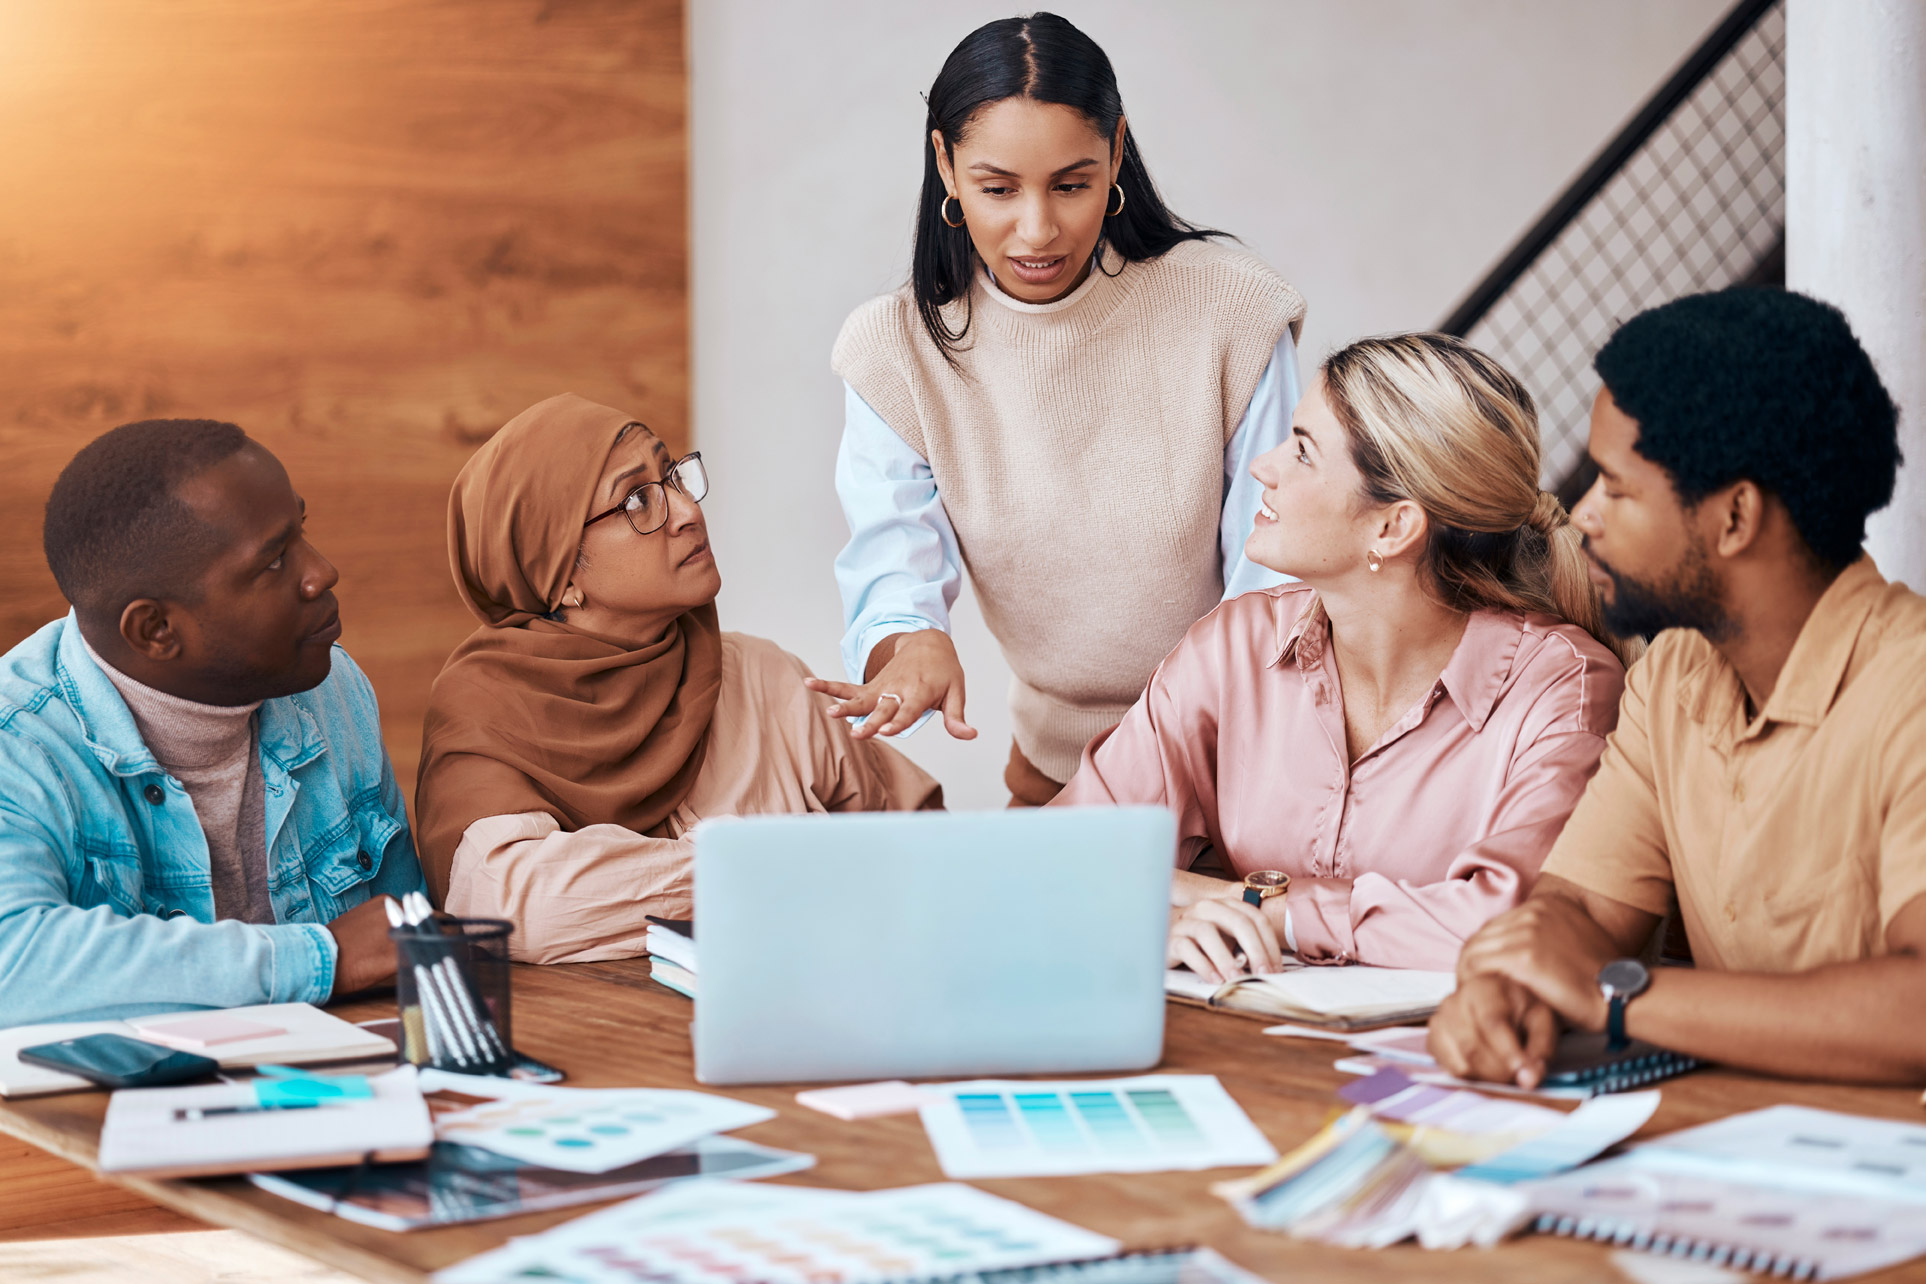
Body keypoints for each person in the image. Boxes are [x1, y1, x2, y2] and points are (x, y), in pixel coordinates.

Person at [1427, 287, 1926, 1087]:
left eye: (1618, 488)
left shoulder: (1911, 689)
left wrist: (1625, 1001)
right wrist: (1509, 988)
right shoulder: (1670, 676)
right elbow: (1583, 914)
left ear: (1734, 518)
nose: (1583, 513)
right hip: (1730, 1155)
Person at [811, 12, 1306, 805]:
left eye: (1071, 185)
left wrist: (1171, 762)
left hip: (1240, 771)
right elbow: (892, 558)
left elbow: (1275, 580)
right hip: (1056, 778)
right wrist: (910, 643)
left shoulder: (1229, 311)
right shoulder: (894, 352)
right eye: (997, 189)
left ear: (1116, 151)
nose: (1036, 229)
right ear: (945, 162)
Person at [1056, 334, 1629, 975]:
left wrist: (1265, 909)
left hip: (1464, 1063)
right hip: (1252, 1043)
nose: (1261, 467)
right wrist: (1156, 923)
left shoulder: (1565, 689)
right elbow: (1064, 853)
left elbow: (1513, 928)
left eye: (1302, 452)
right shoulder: (1232, 650)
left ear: (1393, 527)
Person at [416, 394, 940, 965]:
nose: (688, 511)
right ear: (560, 575)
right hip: (594, 1043)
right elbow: (511, 904)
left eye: (672, 477)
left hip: (797, 1030)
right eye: (638, 499)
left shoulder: (763, 679)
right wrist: (781, 867)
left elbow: (920, 844)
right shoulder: (489, 709)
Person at [0, 420, 424, 1026]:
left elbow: (403, 939)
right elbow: (12, 967)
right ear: (155, 630)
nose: (322, 572)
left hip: (354, 1093)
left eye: (302, 533)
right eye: (275, 561)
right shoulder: (19, 743)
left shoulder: (330, 687)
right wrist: (322, 959)